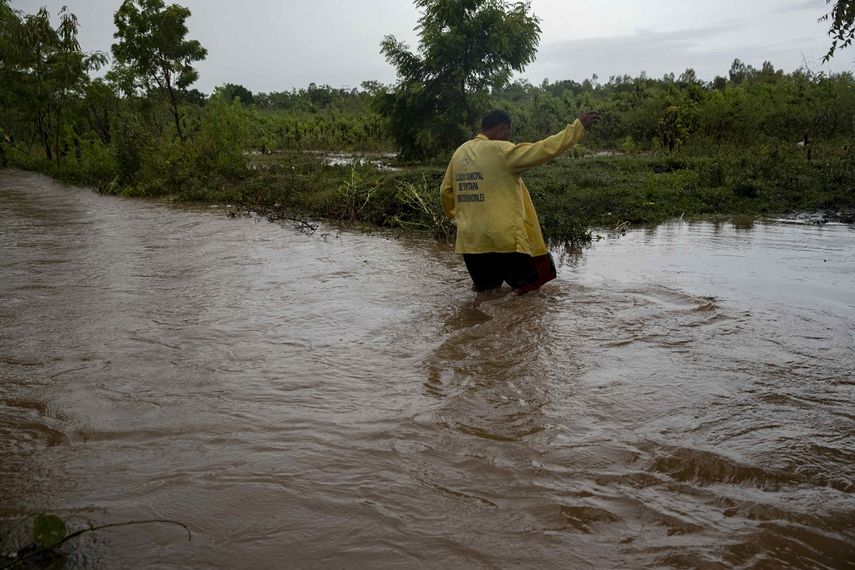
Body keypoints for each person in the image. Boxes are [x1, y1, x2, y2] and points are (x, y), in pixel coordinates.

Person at [440, 109, 599, 293]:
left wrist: (460, 220)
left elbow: (445, 192)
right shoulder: (502, 150)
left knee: (487, 295)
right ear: (501, 128)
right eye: (507, 133)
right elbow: (543, 149)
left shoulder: (459, 153)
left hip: (470, 242)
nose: (508, 138)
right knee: (530, 293)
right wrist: (576, 128)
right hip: (504, 241)